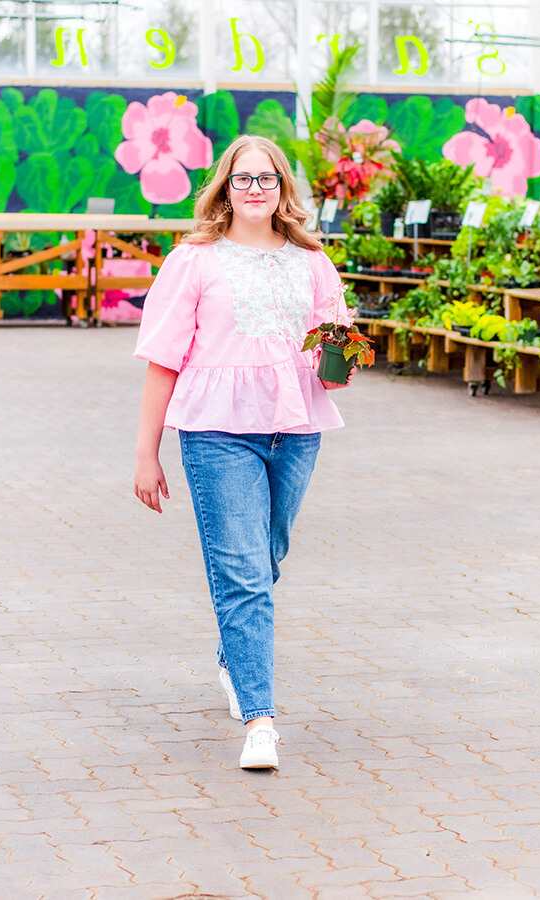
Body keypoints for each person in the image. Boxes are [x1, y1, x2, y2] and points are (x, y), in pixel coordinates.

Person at [133, 134, 355, 770]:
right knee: (245, 574)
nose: (255, 189)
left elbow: (333, 351)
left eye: (266, 179)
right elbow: (163, 360)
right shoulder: (194, 261)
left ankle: (235, 656)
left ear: (283, 188)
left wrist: (341, 362)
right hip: (216, 431)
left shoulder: (312, 260)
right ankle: (261, 720)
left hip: (295, 429)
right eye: (242, 179)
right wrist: (147, 454)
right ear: (225, 189)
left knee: (267, 556)